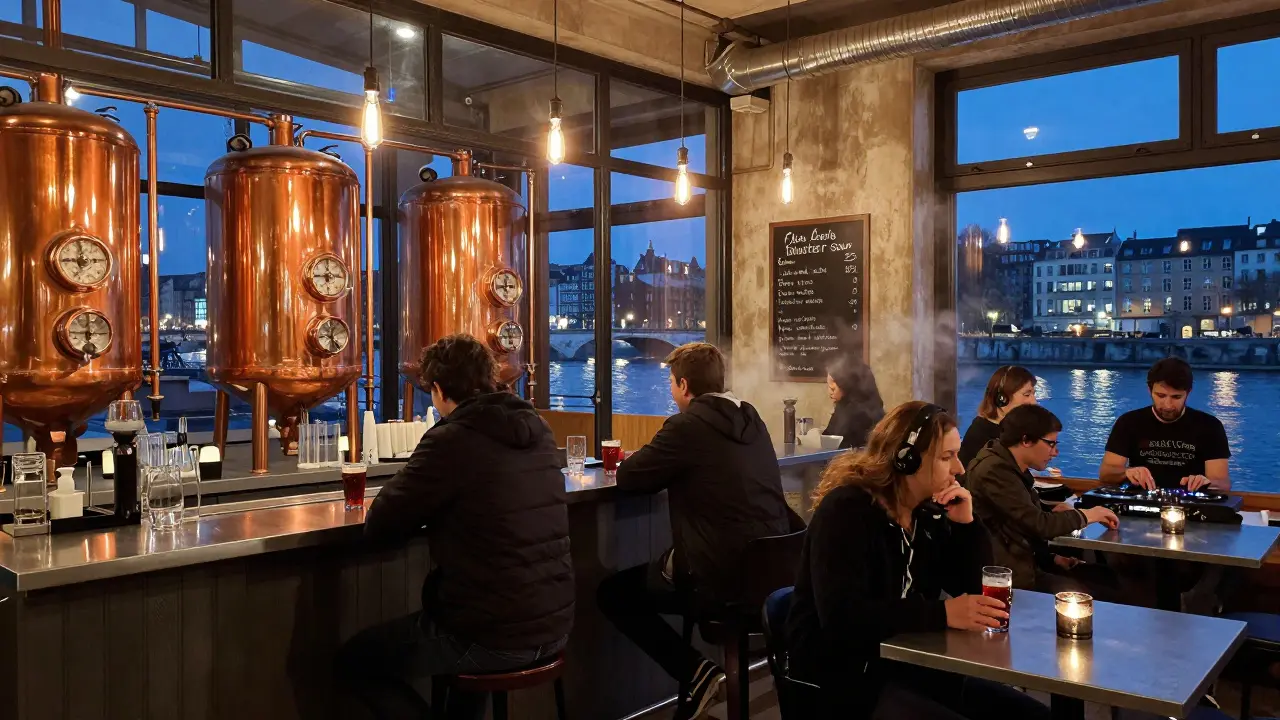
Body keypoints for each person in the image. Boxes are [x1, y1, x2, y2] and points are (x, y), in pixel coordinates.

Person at [338, 334, 574, 719]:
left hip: (493, 633)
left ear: (437, 389)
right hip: (553, 625)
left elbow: (381, 523)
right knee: (468, 637)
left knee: (357, 661)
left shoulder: (451, 438)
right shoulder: (538, 429)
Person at [787, 401, 1049, 720]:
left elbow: (969, 587)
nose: (959, 469)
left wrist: (966, 525)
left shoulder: (926, 513)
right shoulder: (846, 512)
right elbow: (843, 618)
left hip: (905, 667)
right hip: (844, 682)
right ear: (906, 460)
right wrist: (941, 613)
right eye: (946, 457)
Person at [596, 342, 791, 719]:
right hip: (770, 575)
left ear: (684, 385)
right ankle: (702, 679)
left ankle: (698, 674)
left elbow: (630, 477)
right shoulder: (752, 419)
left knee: (613, 595)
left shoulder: (688, 425)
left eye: (671, 383)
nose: (671, 391)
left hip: (718, 579)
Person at [968, 405, 1121, 596]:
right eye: (1051, 443)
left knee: (1106, 576)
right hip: (1011, 578)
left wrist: (1051, 557)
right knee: (1103, 593)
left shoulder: (1008, 467)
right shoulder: (994, 472)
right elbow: (1039, 525)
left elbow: (1019, 522)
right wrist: (1089, 515)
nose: (1055, 452)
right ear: (1025, 440)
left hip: (1028, 562)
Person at [1100, 357, 1231, 491]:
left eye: (1176, 397)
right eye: (1161, 396)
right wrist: (1127, 472)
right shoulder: (1128, 422)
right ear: (1149, 390)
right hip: (1142, 502)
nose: (1168, 405)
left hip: (1192, 504)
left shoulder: (1210, 426)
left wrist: (1205, 482)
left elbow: (1222, 484)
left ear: (1188, 393)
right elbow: (1106, 474)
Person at [958, 365, 1039, 469]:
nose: (1034, 402)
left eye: (1033, 394)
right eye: (1027, 395)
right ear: (1002, 399)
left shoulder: (1005, 430)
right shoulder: (984, 436)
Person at [823, 354, 885, 449]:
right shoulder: (844, 406)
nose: (829, 393)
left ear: (846, 385)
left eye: (832, 389)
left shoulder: (858, 414)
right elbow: (827, 437)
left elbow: (839, 447)